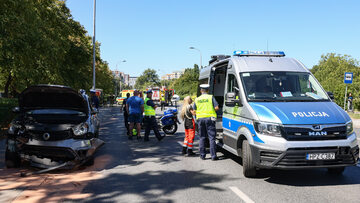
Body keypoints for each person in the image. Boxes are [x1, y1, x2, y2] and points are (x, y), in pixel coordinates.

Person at [194, 84, 219, 161]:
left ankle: (202, 155)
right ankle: (213, 156)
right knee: (211, 138)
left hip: (200, 120)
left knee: (202, 137)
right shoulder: (210, 97)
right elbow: (216, 108)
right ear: (207, 90)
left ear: (201, 91)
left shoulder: (197, 99)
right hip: (210, 119)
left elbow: (194, 111)